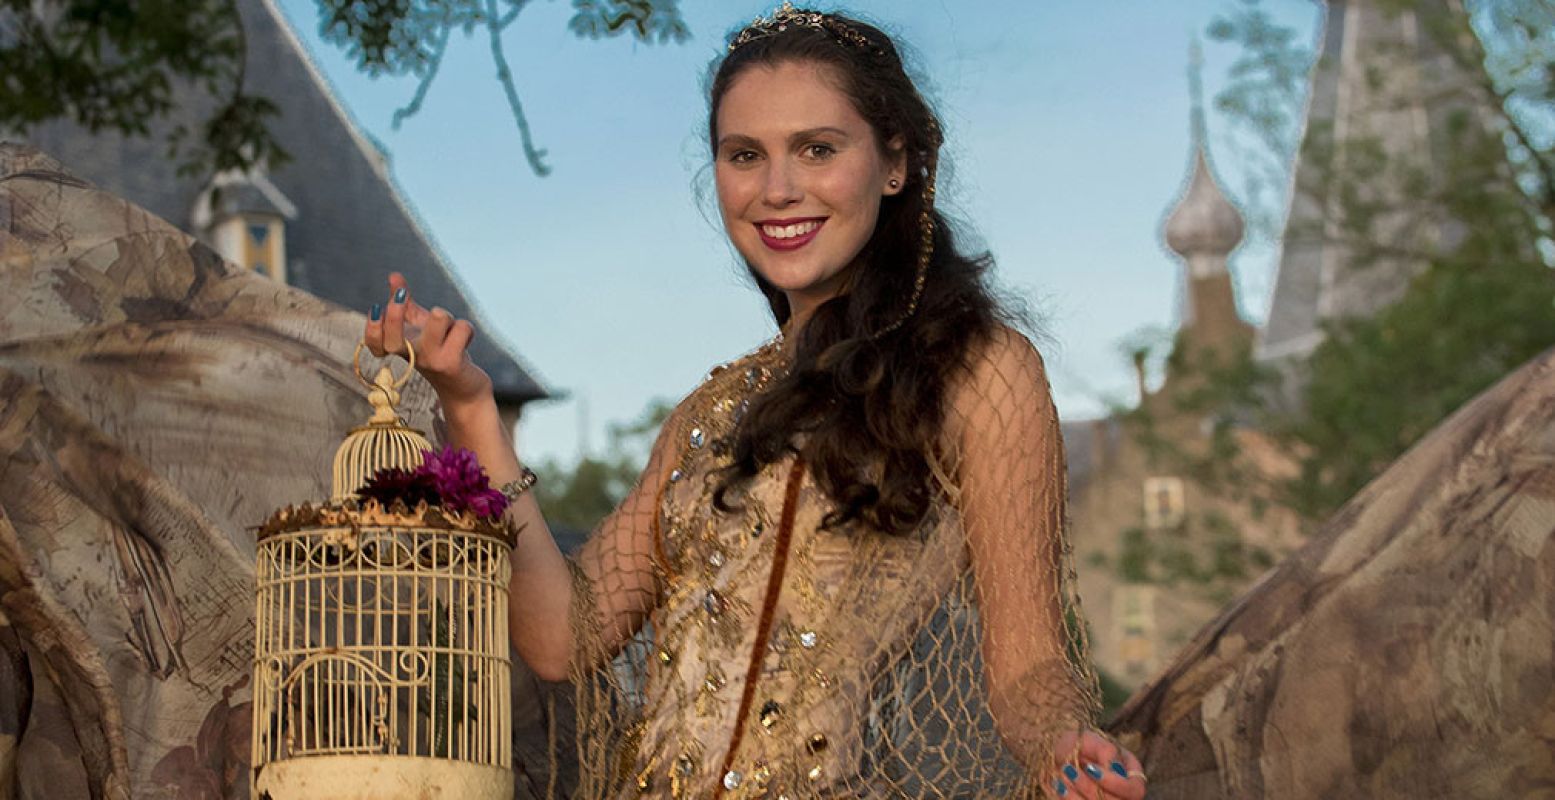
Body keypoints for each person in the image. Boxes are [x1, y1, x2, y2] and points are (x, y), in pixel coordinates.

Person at [364, 4, 1148, 798]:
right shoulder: (711, 411)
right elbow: (562, 639)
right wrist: (471, 411)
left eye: (816, 149)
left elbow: (1029, 664)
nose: (777, 190)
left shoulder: (976, 371)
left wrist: (1061, 744)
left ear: (894, 163)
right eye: (745, 155)